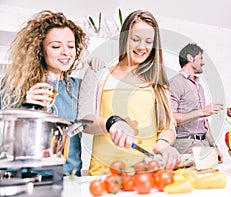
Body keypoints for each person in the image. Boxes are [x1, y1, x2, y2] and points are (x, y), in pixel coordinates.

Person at [78, 9, 180, 176]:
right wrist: (111, 123)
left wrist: (162, 143)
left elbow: (168, 126)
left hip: (146, 173)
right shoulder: (100, 73)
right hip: (104, 173)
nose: (142, 47)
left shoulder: (158, 81)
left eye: (148, 41)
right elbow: (84, 121)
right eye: (135, 39)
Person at [0, 10, 90, 176]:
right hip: (23, 180)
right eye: (56, 46)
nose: (66, 52)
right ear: (39, 49)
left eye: (70, 46)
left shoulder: (80, 88)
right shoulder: (11, 86)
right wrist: (24, 106)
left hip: (68, 180)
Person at [169, 43, 224, 163]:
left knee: (211, 178)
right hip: (186, 144)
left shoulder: (199, 86)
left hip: (203, 143)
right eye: (201, 58)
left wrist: (214, 146)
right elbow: (171, 118)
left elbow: (203, 121)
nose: (203, 62)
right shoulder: (174, 83)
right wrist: (202, 111)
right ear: (190, 58)